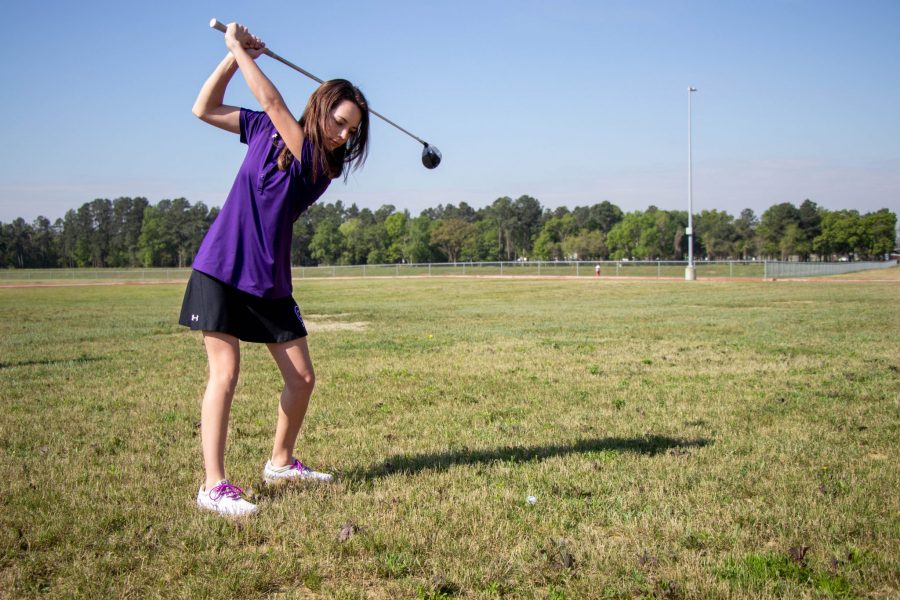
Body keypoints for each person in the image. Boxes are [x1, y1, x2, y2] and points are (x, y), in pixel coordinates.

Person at [179, 23, 370, 516]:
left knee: (302, 379)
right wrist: (232, 59)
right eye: (341, 122)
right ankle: (213, 485)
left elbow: (273, 104)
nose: (344, 135)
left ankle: (281, 462)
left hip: (267, 279)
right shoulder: (265, 131)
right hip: (221, 265)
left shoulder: (319, 165)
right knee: (225, 374)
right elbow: (204, 109)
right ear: (323, 106)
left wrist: (240, 51)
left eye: (351, 131)